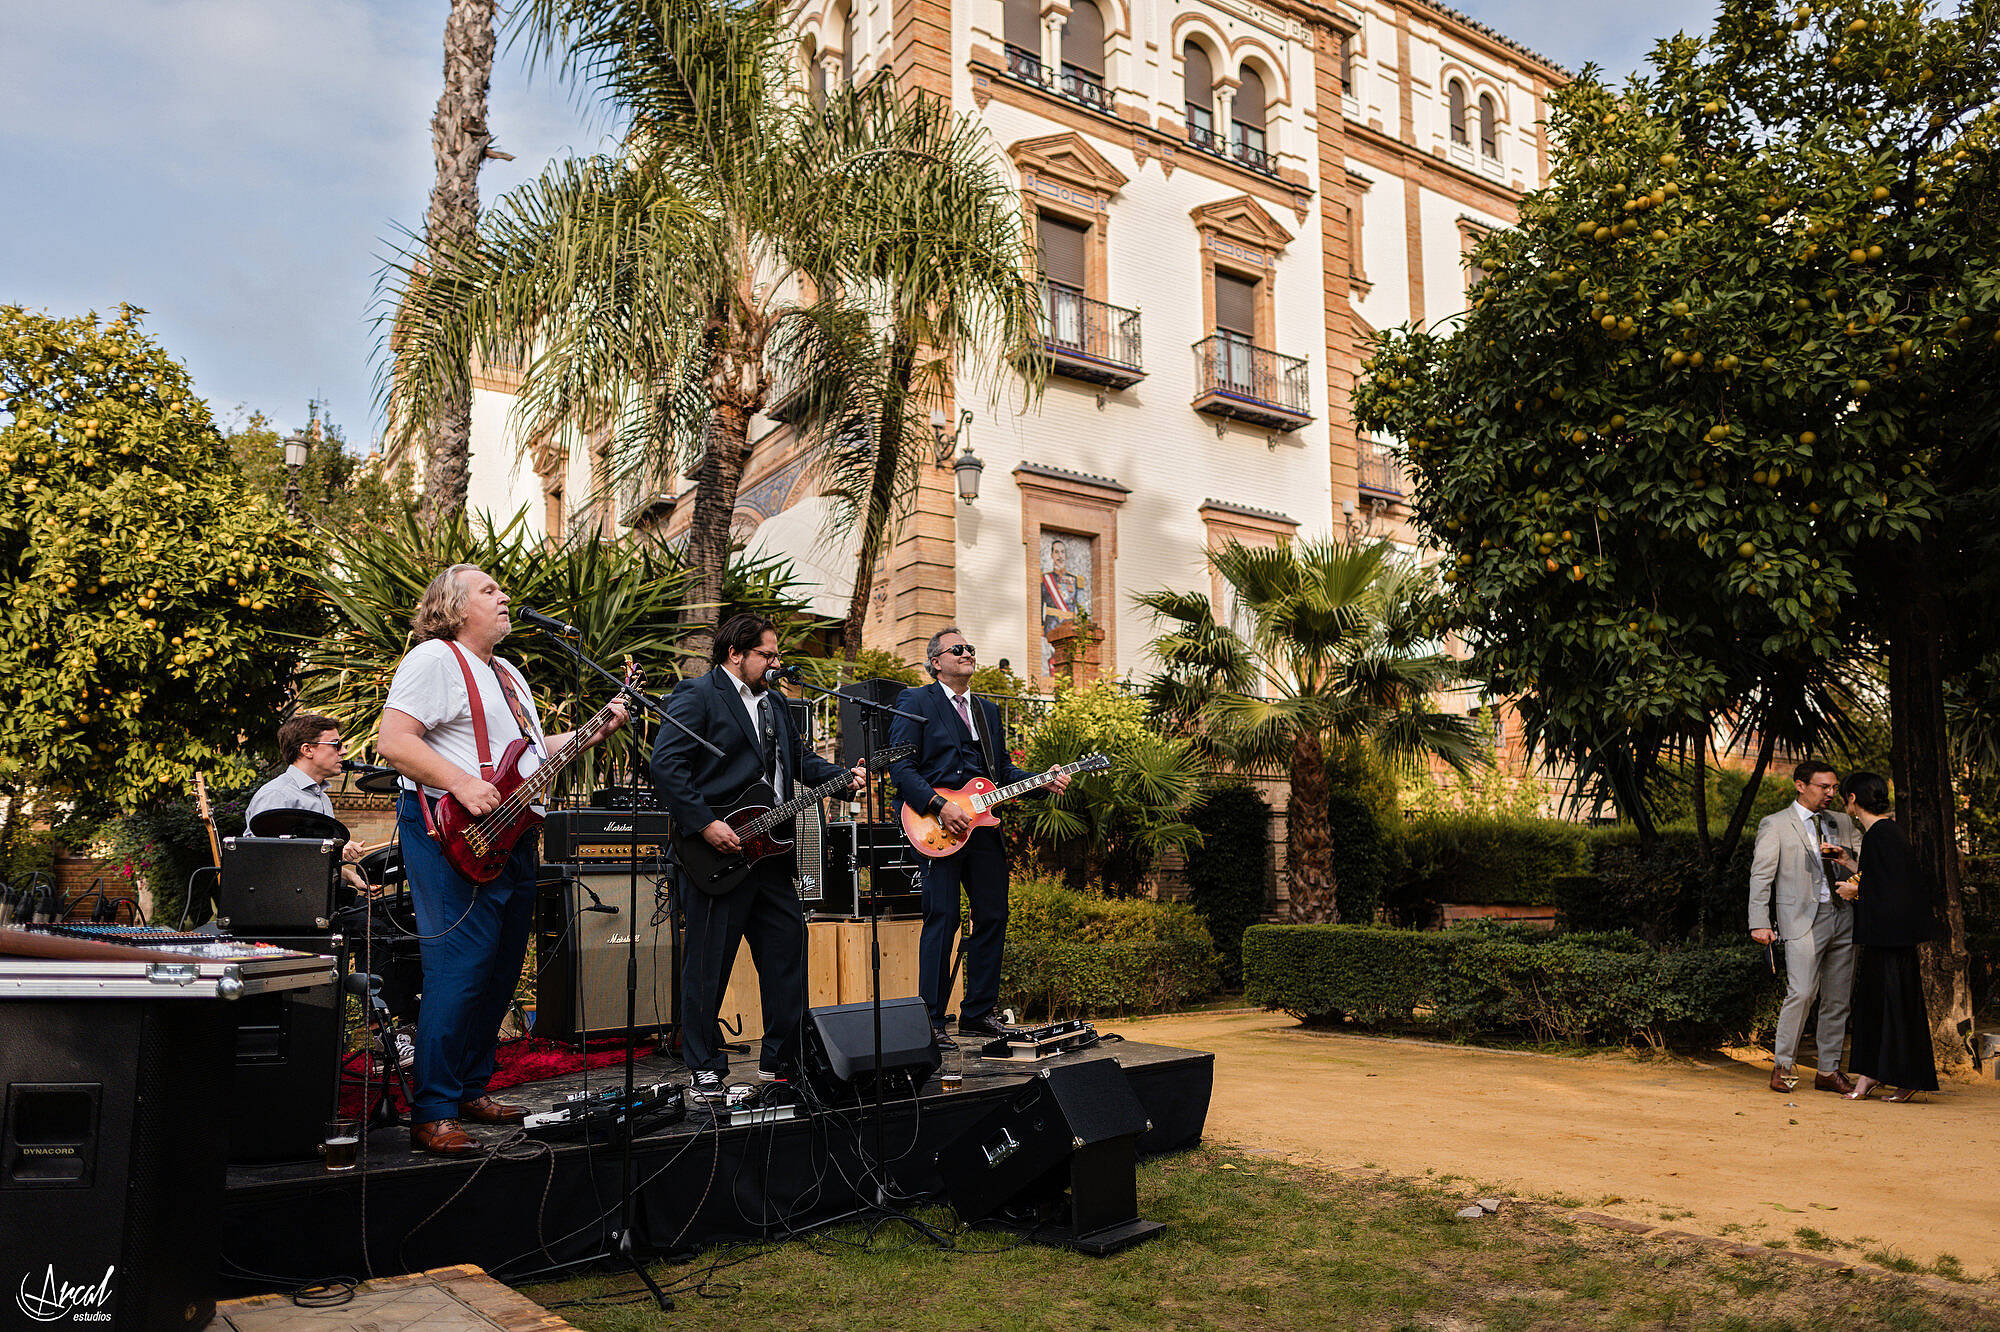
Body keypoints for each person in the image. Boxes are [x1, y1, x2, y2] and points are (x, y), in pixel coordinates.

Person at [376, 565, 627, 1155]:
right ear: (456, 608)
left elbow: (531, 757)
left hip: (510, 834)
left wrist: (591, 733)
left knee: (502, 965)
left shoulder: (509, 674)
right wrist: (461, 783)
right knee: (460, 967)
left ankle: (469, 1087)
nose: (504, 596)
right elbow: (395, 740)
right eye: (489, 590)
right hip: (451, 833)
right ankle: (432, 1107)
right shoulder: (434, 659)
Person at [651, 614, 864, 1104]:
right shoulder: (698, 694)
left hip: (770, 853)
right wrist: (705, 824)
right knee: (708, 966)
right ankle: (705, 1066)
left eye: (775, 655)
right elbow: (667, 765)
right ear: (735, 654)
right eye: (767, 655)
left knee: (787, 952)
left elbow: (799, 760)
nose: (775, 663)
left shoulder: (776, 704)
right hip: (714, 853)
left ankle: (782, 1062)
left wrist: (841, 774)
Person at [889, 628, 1070, 1045]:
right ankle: (931, 1020)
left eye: (971, 648)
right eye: (958, 649)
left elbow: (1001, 773)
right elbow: (901, 771)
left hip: (983, 829)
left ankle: (978, 1013)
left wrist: (1041, 781)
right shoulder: (915, 702)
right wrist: (939, 806)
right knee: (944, 917)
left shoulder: (987, 710)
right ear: (936, 661)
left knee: (992, 916)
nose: (968, 652)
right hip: (936, 828)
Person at [1748, 759, 1861, 1094]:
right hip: (1800, 920)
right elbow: (1761, 875)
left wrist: (1848, 858)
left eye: (1834, 787)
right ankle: (1783, 1067)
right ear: (1800, 785)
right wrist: (1759, 921)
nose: (1830, 793)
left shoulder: (1841, 821)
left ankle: (1828, 1071)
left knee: (1839, 999)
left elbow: (1867, 861)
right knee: (1801, 993)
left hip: (1844, 915)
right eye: (1823, 786)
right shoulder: (1776, 824)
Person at [1831, 772, 1940, 1102]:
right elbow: (1883, 878)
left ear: (1852, 799)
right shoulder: (1884, 832)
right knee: (1879, 1004)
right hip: (1889, 938)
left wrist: (1856, 892)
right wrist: (1849, 863)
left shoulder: (1881, 833)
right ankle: (1872, 1075)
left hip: (1890, 939)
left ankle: (1900, 1077)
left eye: (1843, 796)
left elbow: (1892, 890)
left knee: (1892, 1004)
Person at [245, 712, 368, 891]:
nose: (344, 751)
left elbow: (312, 864)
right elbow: (261, 860)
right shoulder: (277, 794)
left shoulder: (321, 797)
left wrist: (350, 876)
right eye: (336, 745)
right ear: (307, 750)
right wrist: (329, 848)